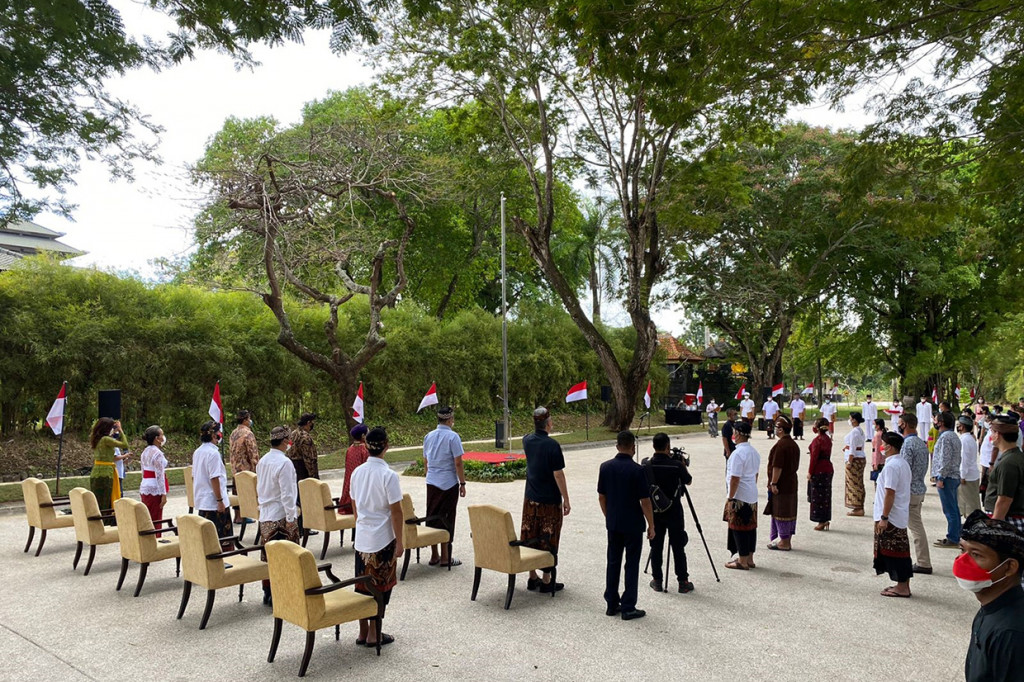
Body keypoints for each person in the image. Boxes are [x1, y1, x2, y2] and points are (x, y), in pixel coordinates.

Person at [349, 427, 403, 649]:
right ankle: (374, 633)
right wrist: (400, 541)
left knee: (362, 586)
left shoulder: (357, 473)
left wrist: (361, 524)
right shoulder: (388, 475)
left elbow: (354, 506)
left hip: (362, 538)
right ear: (386, 446)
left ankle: (363, 631)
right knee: (381, 587)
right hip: (382, 539)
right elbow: (396, 511)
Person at [959, 510, 1024, 682]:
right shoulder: (991, 605)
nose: (962, 561)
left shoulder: (1011, 633)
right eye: (962, 550)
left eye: (976, 554)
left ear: (1009, 567)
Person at [598, 431, 654, 620]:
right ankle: (629, 605)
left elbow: (602, 496)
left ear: (617, 446)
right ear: (633, 448)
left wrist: (609, 516)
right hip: (633, 524)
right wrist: (651, 525)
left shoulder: (605, 467)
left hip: (613, 522)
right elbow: (645, 501)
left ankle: (611, 602)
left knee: (613, 562)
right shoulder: (638, 470)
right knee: (631, 564)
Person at [521, 407, 570, 593]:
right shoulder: (552, 446)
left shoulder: (527, 441)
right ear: (548, 423)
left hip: (531, 498)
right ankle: (547, 579)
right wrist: (566, 499)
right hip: (549, 500)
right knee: (549, 538)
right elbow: (558, 475)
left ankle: (532, 577)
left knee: (530, 535)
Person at [643, 433, 693, 593]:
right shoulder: (676, 465)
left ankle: (657, 580)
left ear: (653, 446)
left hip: (655, 512)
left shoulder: (647, 465)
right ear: (667, 446)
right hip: (674, 511)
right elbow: (688, 480)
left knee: (656, 546)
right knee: (678, 546)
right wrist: (682, 464)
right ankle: (683, 581)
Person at [257, 426, 299, 606]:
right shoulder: (284, 463)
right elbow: (287, 494)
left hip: (266, 514)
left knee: (269, 556)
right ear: (284, 441)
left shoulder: (263, 461)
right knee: (287, 556)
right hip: (281, 514)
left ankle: (268, 592)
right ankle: (284, 592)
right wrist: (291, 518)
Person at [422, 405, 466, 567]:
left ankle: (434, 555)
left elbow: (426, 460)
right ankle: (446, 556)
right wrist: (462, 483)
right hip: (448, 483)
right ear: (450, 419)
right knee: (447, 518)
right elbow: (458, 463)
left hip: (432, 481)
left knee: (432, 516)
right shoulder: (453, 437)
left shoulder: (428, 436)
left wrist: (429, 475)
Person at [872, 431, 913, 598]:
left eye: (883, 443)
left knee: (896, 552)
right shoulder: (901, 463)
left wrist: (884, 517)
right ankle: (901, 584)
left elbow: (890, 493)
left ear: (890, 446)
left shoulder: (892, 466)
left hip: (892, 516)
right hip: (898, 514)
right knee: (896, 550)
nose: (881, 446)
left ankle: (903, 587)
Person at [897, 413, 932, 575]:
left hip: (910, 490)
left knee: (916, 527)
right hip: (918, 487)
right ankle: (922, 560)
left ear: (904, 424)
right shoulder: (920, 443)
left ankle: (924, 562)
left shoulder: (907, 444)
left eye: (900, 423)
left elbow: (904, 469)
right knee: (916, 525)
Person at [724, 420, 761, 570]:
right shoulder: (754, 452)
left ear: (737, 434)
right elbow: (756, 474)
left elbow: (735, 478)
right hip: (751, 493)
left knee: (738, 527)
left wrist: (730, 497)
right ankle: (750, 558)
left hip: (740, 495)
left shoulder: (737, 454)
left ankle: (743, 560)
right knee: (750, 527)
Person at [193, 420, 233, 551]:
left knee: (207, 541)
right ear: (214, 435)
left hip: (204, 501)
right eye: (218, 433)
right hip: (214, 502)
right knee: (222, 540)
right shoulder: (213, 453)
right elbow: (214, 478)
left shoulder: (198, 452)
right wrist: (220, 500)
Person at [765, 414, 800, 551]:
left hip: (782, 483)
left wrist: (773, 483)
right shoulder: (793, 444)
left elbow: (777, 466)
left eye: (776, 427)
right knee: (790, 509)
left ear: (780, 429)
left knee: (781, 510)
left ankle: (784, 542)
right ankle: (786, 540)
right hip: (791, 482)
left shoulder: (781, 445)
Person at [985, 416, 1024, 536]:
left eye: (992, 431)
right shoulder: (1015, 457)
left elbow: (1004, 499)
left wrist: (994, 526)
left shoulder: (1008, 463)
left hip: (1006, 519)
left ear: (998, 434)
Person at [89, 417, 131, 518]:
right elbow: (125, 444)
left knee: (99, 500)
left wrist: (114, 432)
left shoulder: (96, 438)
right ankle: (107, 520)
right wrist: (121, 431)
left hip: (96, 472)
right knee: (107, 500)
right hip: (106, 473)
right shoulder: (106, 439)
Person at [933, 410, 964, 548]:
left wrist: (941, 477)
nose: (935, 422)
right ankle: (955, 534)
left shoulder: (946, 437)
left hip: (947, 477)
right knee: (953, 508)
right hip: (953, 475)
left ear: (942, 423)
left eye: (937, 420)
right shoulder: (953, 436)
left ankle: (953, 537)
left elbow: (945, 459)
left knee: (949, 509)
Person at [229, 409, 258, 523]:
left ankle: (237, 516)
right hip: (246, 470)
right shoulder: (248, 433)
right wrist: (256, 469)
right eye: (249, 419)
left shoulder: (233, 433)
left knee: (237, 493)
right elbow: (253, 454)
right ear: (246, 420)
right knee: (247, 494)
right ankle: (246, 515)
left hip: (235, 469)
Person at [138, 425, 169, 529]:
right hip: (155, 488)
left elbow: (143, 471)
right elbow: (159, 475)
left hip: (145, 486)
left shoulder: (145, 452)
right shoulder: (157, 454)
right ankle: (156, 541)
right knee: (156, 519)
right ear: (157, 438)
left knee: (147, 518)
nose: (163, 437)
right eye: (162, 434)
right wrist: (163, 494)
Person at [807, 417, 834, 531]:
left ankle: (820, 520)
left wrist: (810, 472)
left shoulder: (817, 440)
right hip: (828, 468)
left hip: (818, 469)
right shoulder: (827, 439)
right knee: (826, 495)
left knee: (817, 496)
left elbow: (814, 458)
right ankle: (825, 518)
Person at [338, 424, 369, 515]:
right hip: (360, 494)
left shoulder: (350, 449)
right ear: (363, 436)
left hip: (348, 494)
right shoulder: (365, 449)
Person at [843, 412, 867, 516]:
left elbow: (853, 448)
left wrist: (850, 461)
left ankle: (857, 507)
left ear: (854, 420)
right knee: (858, 482)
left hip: (855, 458)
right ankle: (859, 505)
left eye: (850, 418)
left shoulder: (854, 432)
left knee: (853, 484)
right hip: (860, 456)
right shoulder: (860, 431)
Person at [959, 415, 983, 518]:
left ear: (962, 427)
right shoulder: (970, 438)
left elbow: (964, 459)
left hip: (967, 476)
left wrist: (962, 475)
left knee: (969, 505)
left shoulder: (964, 440)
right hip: (972, 474)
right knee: (973, 502)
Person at [288, 412, 320, 482]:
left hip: (293, 469)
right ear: (308, 423)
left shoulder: (293, 434)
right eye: (312, 422)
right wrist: (314, 477)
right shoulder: (306, 437)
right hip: (303, 470)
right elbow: (309, 459)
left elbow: (288, 449)